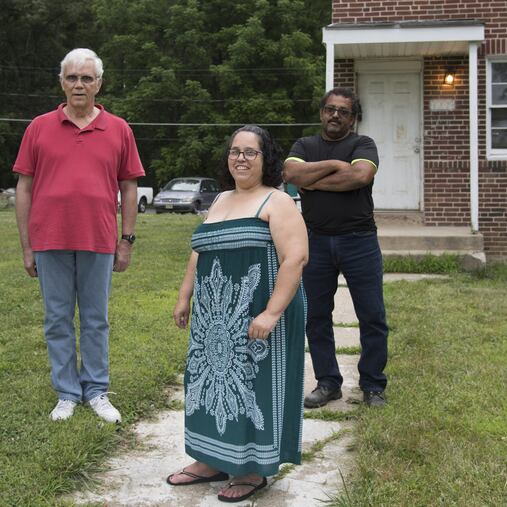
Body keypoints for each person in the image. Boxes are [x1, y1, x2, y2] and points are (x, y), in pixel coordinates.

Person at [167, 125, 307, 503]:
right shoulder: (220, 200)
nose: (240, 158)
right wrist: (185, 297)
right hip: (214, 316)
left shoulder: (276, 201)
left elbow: (296, 258)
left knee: (252, 390)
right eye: (235, 151)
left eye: (250, 152)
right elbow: (200, 252)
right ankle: (210, 459)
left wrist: (271, 313)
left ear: (266, 159)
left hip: (260, 315)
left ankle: (250, 469)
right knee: (206, 386)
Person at [13, 48, 145, 423]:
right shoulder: (38, 127)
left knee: (95, 319)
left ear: (99, 84)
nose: (79, 85)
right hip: (49, 239)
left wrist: (127, 239)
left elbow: (129, 187)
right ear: (61, 82)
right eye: (72, 77)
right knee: (57, 319)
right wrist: (26, 246)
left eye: (87, 78)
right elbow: (24, 187)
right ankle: (67, 393)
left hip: (99, 240)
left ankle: (97, 390)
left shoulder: (119, 129)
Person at [283, 87, 389, 409]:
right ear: (321, 113)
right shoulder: (305, 145)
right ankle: (328, 382)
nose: (335, 115)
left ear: (353, 118)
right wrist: (333, 164)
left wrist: (311, 179)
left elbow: (359, 176)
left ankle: (372, 386)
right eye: (330, 109)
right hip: (314, 239)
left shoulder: (363, 144)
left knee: (372, 315)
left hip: (359, 240)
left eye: (343, 112)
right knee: (316, 316)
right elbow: (289, 174)